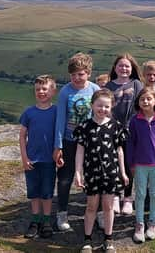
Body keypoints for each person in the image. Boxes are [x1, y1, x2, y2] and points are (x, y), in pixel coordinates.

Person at [74, 89, 129, 252]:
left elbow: (119, 151)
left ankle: (108, 239)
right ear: (92, 105)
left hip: (111, 172)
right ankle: (87, 240)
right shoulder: (84, 126)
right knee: (91, 206)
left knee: (108, 206)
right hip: (91, 172)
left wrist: (123, 172)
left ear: (111, 107)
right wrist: (78, 172)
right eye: (99, 105)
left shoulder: (116, 126)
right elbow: (80, 151)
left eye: (106, 106)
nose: (102, 109)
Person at [53, 53, 100, 231]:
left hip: (90, 142)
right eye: (73, 74)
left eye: (80, 74)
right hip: (69, 140)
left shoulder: (95, 90)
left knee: (93, 178)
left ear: (88, 72)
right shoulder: (66, 91)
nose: (76, 78)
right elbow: (60, 119)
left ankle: (96, 212)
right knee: (65, 179)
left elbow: (100, 116)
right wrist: (58, 146)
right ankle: (62, 213)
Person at [127, 87, 155, 243]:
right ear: (138, 102)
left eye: (149, 99)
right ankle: (139, 224)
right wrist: (131, 162)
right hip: (139, 164)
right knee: (139, 194)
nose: (145, 101)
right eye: (142, 99)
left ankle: (152, 223)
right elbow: (130, 143)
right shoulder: (135, 120)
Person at [19, 75, 57, 239]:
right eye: (37, 89)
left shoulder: (56, 111)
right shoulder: (28, 112)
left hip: (49, 160)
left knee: (47, 192)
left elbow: (59, 135)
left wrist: (59, 153)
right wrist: (24, 158)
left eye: (45, 89)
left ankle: (46, 221)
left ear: (52, 91)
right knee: (34, 192)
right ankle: (35, 221)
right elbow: (22, 136)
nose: (41, 92)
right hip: (32, 159)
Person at [106, 53, 144, 215]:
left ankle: (127, 198)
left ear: (132, 69)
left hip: (132, 130)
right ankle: (115, 195)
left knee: (129, 164)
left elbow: (142, 106)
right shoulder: (108, 86)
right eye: (120, 65)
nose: (124, 68)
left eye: (127, 66)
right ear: (115, 68)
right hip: (112, 129)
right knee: (113, 163)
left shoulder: (137, 84)